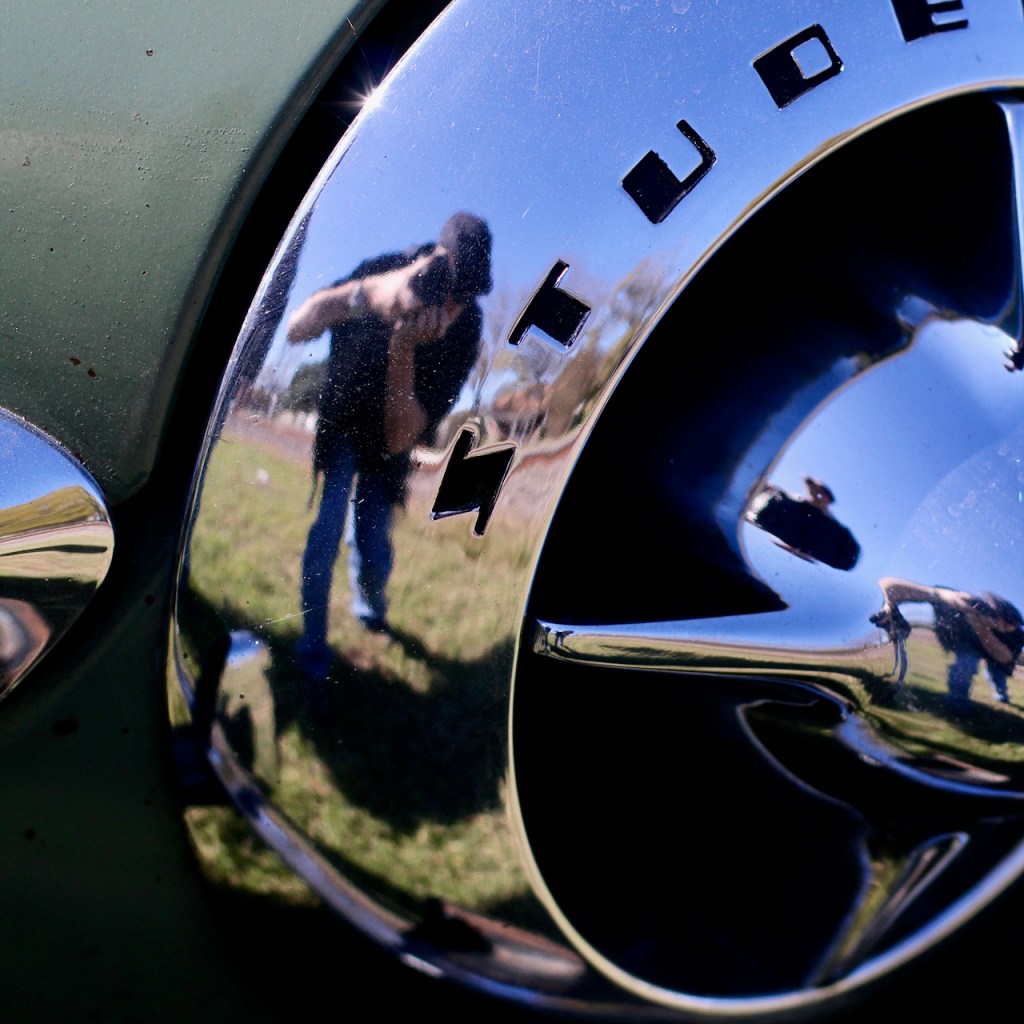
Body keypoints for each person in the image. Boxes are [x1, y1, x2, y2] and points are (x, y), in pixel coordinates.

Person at [285, 213, 492, 678]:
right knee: (325, 535)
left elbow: (404, 436)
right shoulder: (384, 267)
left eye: (466, 293)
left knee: (374, 545)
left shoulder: (466, 328)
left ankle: (371, 611)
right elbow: (297, 327)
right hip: (342, 425)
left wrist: (404, 347)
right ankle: (314, 658)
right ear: (424, 259)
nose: (452, 302)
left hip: (388, 449)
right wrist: (371, 296)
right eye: (447, 285)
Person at [871, 577, 1023, 708]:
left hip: (997, 660)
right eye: (994, 615)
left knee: (997, 676)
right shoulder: (968, 608)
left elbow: (1005, 658)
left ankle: (1002, 696)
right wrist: (941, 595)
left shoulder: (1017, 635)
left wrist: (982, 628)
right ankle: (959, 705)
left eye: (1007, 624)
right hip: (970, 648)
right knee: (965, 664)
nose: (999, 624)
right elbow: (887, 584)